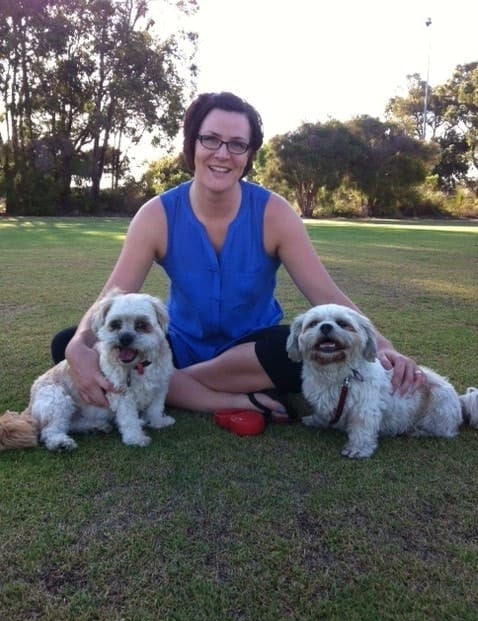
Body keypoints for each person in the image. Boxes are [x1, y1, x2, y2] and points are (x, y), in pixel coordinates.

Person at [53, 91, 423, 421]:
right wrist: (76, 345)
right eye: (210, 139)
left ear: (249, 156)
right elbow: (113, 295)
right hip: (178, 346)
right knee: (66, 343)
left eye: (237, 144)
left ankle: (170, 388)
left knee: (293, 349)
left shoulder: (275, 213)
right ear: (192, 145)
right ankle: (245, 402)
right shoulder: (157, 215)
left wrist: (385, 347)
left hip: (253, 352)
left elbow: (326, 296)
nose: (222, 154)